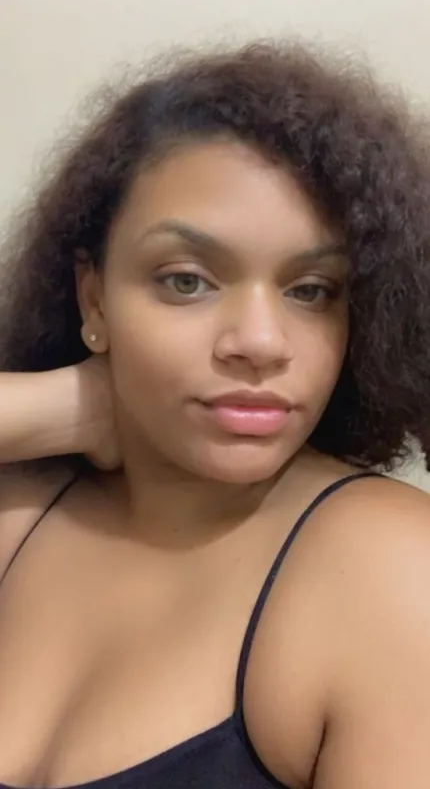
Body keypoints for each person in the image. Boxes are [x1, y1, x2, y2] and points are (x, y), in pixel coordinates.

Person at [1, 40, 430, 789]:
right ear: (94, 298)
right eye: (187, 281)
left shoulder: (390, 571)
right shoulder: (22, 508)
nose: (260, 343)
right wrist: (57, 408)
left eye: (310, 291)